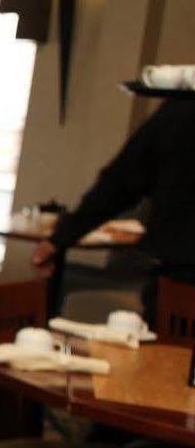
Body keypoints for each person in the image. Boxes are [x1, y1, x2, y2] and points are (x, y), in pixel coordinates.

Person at [32, 95, 195, 318]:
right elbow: (120, 184)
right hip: (178, 280)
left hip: (179, 276)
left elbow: (119, 184)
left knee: (168, 348)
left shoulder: (182, 108)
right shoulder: (182, 109)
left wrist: (60, 238)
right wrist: (61, 237)